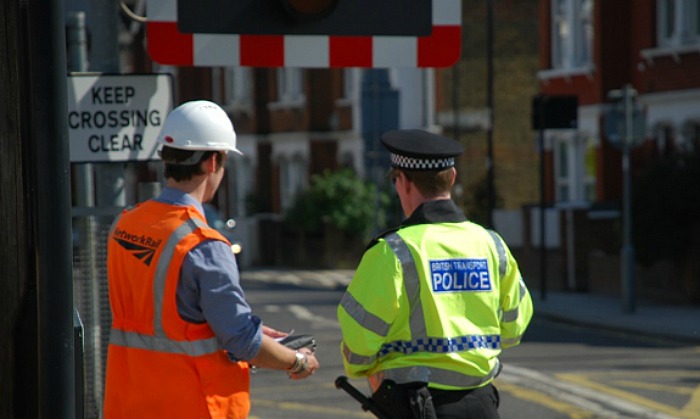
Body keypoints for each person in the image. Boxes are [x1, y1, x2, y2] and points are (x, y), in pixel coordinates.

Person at [104, 100, 319, 419]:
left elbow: (168, 319)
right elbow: (243, 342)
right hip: (192, 405)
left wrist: (248, 326)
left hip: (128, 405)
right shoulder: (204, 244)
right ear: (212, 161)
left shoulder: (125, 224)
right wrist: (296, 360)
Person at [337, 129, 533, 419]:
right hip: (482, 403)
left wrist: (365, 369)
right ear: (452, 178)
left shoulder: (392, 251)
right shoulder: (492, 244)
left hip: (416, 405)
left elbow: (359, 345)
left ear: (402, 182)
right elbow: (513, 329)